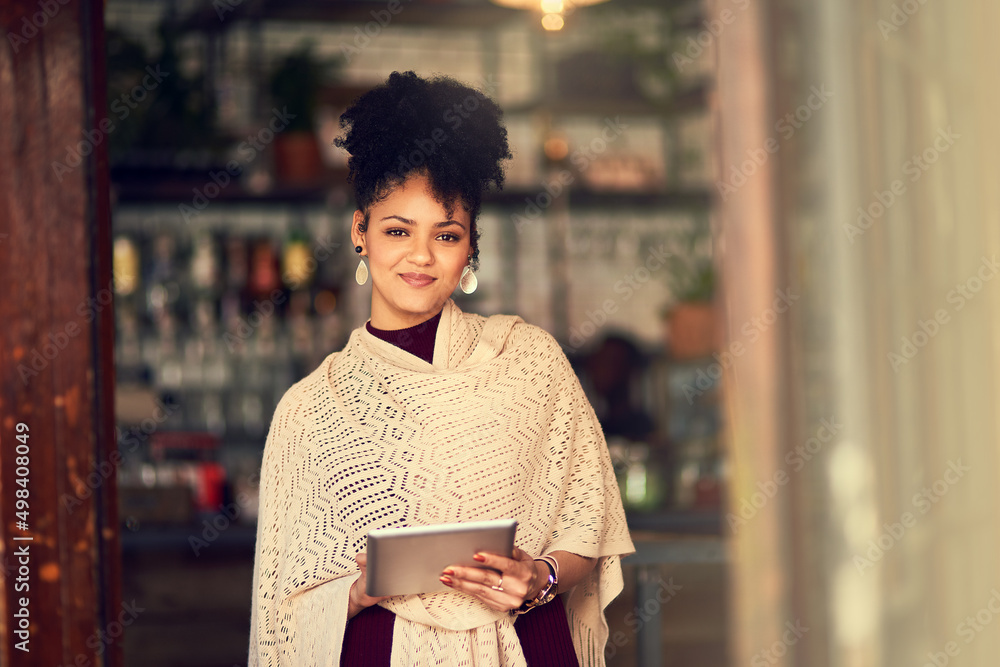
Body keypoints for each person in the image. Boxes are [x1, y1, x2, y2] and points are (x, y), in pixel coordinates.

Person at [249, 70, 634, 667]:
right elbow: (283, 608)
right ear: (361, 232)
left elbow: (588, 528)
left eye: (446, 235)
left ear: (470, 247)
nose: (421, 256)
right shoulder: (311, 408)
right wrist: (358, 589)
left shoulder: (529, 359)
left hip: (529, 645)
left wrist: (541, 577)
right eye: (398, 230)